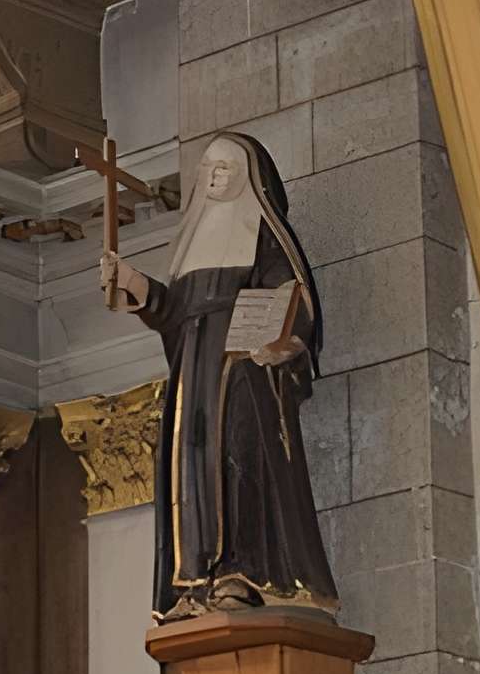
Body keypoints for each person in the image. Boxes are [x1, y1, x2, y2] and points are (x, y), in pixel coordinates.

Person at [106, 131, 343, 617]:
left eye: (226, 168)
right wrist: (138, 288)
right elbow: (174, 314)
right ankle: (194, 582)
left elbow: (291, 298)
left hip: (240, 373)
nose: (215, 176)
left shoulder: (262, 234)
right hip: (193, 373)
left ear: (248, 179)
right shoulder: (192, 241)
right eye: (209, 168)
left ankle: (242, 572)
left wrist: (285, 342)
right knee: (191, 465)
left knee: (240, 456)